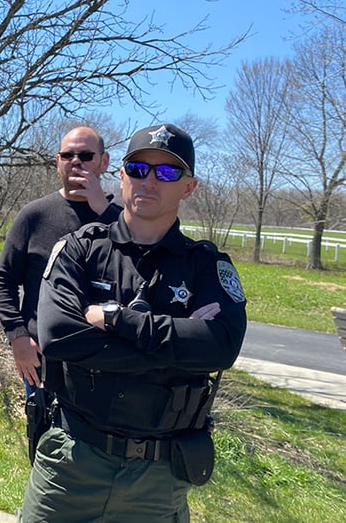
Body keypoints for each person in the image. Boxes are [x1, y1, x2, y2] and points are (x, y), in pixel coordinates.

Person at [19, 123, 247, 522]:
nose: (150, 180)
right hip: (72, 463)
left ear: (188, 187)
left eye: (168, 172)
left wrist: (116, 319)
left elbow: (222, 346)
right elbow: (56, 337)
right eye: (139, 168)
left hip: (157, 479)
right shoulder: (79, 249)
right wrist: (175, 349)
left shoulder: (207, 265)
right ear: (122, 175)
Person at [0, 126, 120, 397]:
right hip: (43, 358)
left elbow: (142, 264)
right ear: (57, 162)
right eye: (67, 155)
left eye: (86, 155)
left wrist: (104, 212)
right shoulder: (34, 215)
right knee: (43, 437)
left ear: (104, 161)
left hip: (106, 361)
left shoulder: (122, 222)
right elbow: (4, 279)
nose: (76, 162)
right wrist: (17, 337)